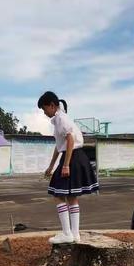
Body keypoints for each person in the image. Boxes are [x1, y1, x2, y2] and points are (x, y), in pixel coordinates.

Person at [38, 91, 99, 244]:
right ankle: (75, 234)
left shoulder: (61, 118)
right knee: (71, 196)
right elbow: (59, 146)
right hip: (76, 156)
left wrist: (65, 165)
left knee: (58, 194)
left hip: (72, 157)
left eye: (44, 109)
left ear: (52, 105)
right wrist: (51, 166)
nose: (44, 112)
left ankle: (67, 233)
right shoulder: (60, 118)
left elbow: (70, 140)